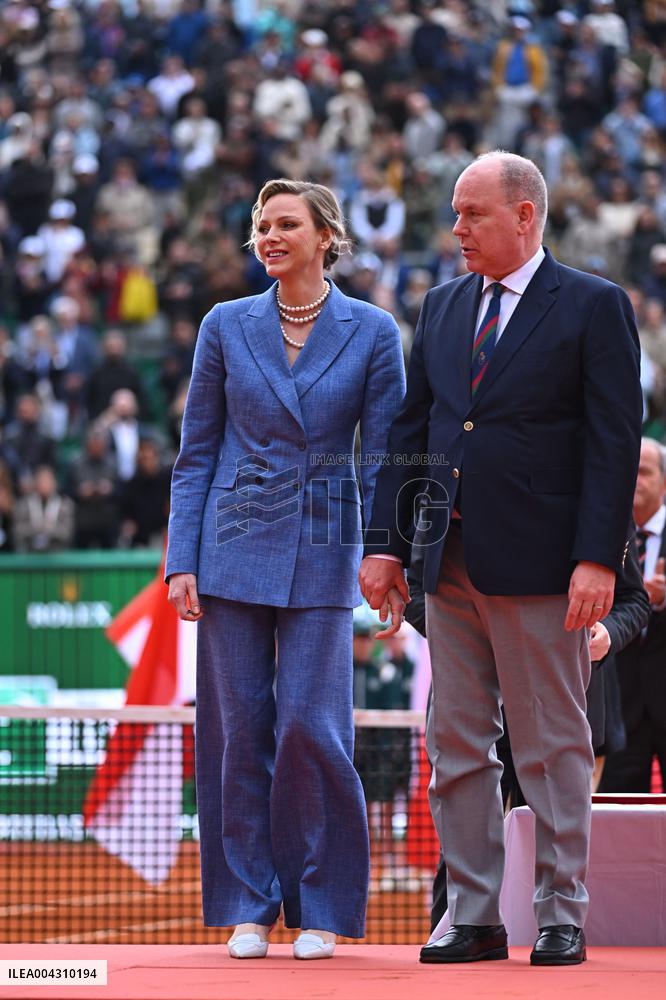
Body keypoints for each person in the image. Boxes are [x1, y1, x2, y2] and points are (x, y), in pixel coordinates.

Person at [360, 151, 642, 966]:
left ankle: (560, 913)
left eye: (472, 214)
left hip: (546, 567)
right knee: (454, 742)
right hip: (445, 562)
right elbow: (410, 433)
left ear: (526, 215)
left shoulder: (594, 306)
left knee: (552, 744)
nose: (457, 230)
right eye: (455, 213)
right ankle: (474, 913)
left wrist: (597, 560)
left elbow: (613, 442)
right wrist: (384, 545)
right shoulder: (442, 307)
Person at [165, 179, 405, 961]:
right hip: (231, 542)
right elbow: (196, 450)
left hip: (328, 541)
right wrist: (181, 559)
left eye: (285, 225)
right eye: (261, 227)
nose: (268, 236)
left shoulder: (372, 330)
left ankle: (323, 905)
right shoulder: (225, 324)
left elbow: (386, 458)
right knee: (240, 731)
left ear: (325, 236)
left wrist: (383, 548)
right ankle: (246, 904)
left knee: (314, 726)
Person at [403, 511, 649, 933]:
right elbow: (417, 589)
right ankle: (460, 930)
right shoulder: (444, 504)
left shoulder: (593, 507)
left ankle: (560, 928)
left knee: (562, 824)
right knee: (459, 840)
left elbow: (633, 600)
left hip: (561, 701)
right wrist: (477, 640)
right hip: (473, 704)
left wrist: (608, 632)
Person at [601, 438, 666, 792]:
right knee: (616, 823)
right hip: (621, 709)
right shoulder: (602, 532)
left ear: (664, 483)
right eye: (631, 471)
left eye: (644, 472)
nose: (635, 480)